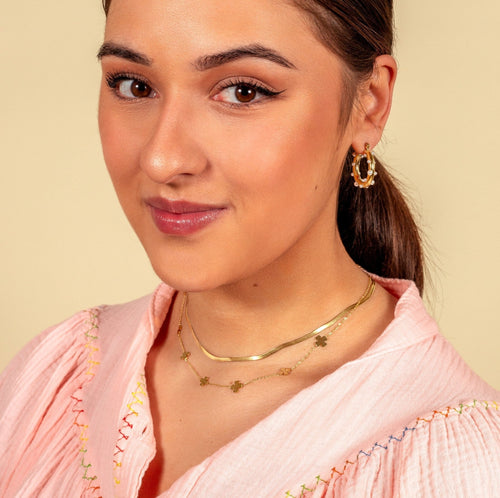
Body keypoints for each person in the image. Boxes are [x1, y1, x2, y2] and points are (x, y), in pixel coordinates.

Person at [0, 0, 499, 496]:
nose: (161, 158)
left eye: (243, 91)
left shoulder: (457, 463)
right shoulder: (56, 375)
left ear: (369, 104)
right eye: (134, 85)